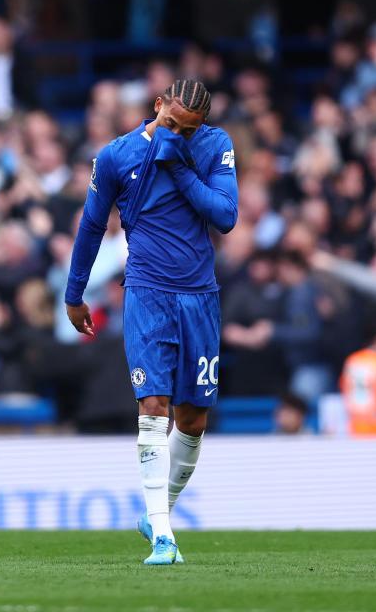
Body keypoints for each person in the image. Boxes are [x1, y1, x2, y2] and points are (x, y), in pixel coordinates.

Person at [65, 80, 238, 564]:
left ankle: (158, 512)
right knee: (154, 404)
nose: (177, 132)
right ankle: (164, 535)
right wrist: (74, 292)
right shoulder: (116, 156)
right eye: (171, 123)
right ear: (158, 104)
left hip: (200, 296)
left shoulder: (213, 145)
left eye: (188, 129)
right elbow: (92, 225)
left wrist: (179, 165)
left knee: (193, 419)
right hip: (146, 293)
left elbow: (225, 215)